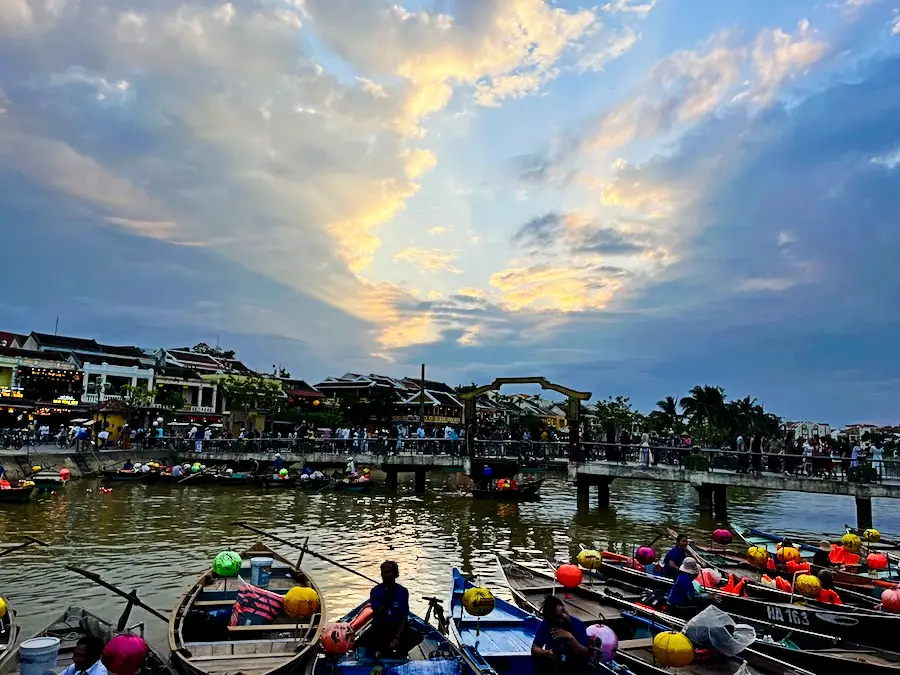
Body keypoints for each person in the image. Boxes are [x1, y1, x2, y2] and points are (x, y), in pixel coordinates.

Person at [359, 561, 420, 657]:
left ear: (395, 574)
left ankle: (397, 651)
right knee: (360, 642)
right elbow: (377, 614)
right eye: (384, 572)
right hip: (381, 627)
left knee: (418, 636)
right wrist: (387, 599)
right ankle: (384, 650)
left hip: (396, 627)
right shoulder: (375, 591)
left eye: (389, 572)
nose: (387, 575)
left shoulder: (403, 591)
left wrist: (397, 637)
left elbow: (404, 617)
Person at [531, 594, 590, 674]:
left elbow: (584, 652)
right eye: (559, 617)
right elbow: (535, 648)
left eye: (563, 610)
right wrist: (547, 652)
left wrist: (570, 637)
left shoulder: (578, 624)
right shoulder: (547, 624)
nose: (564, 616)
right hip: (554, 663)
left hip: (573, 665)